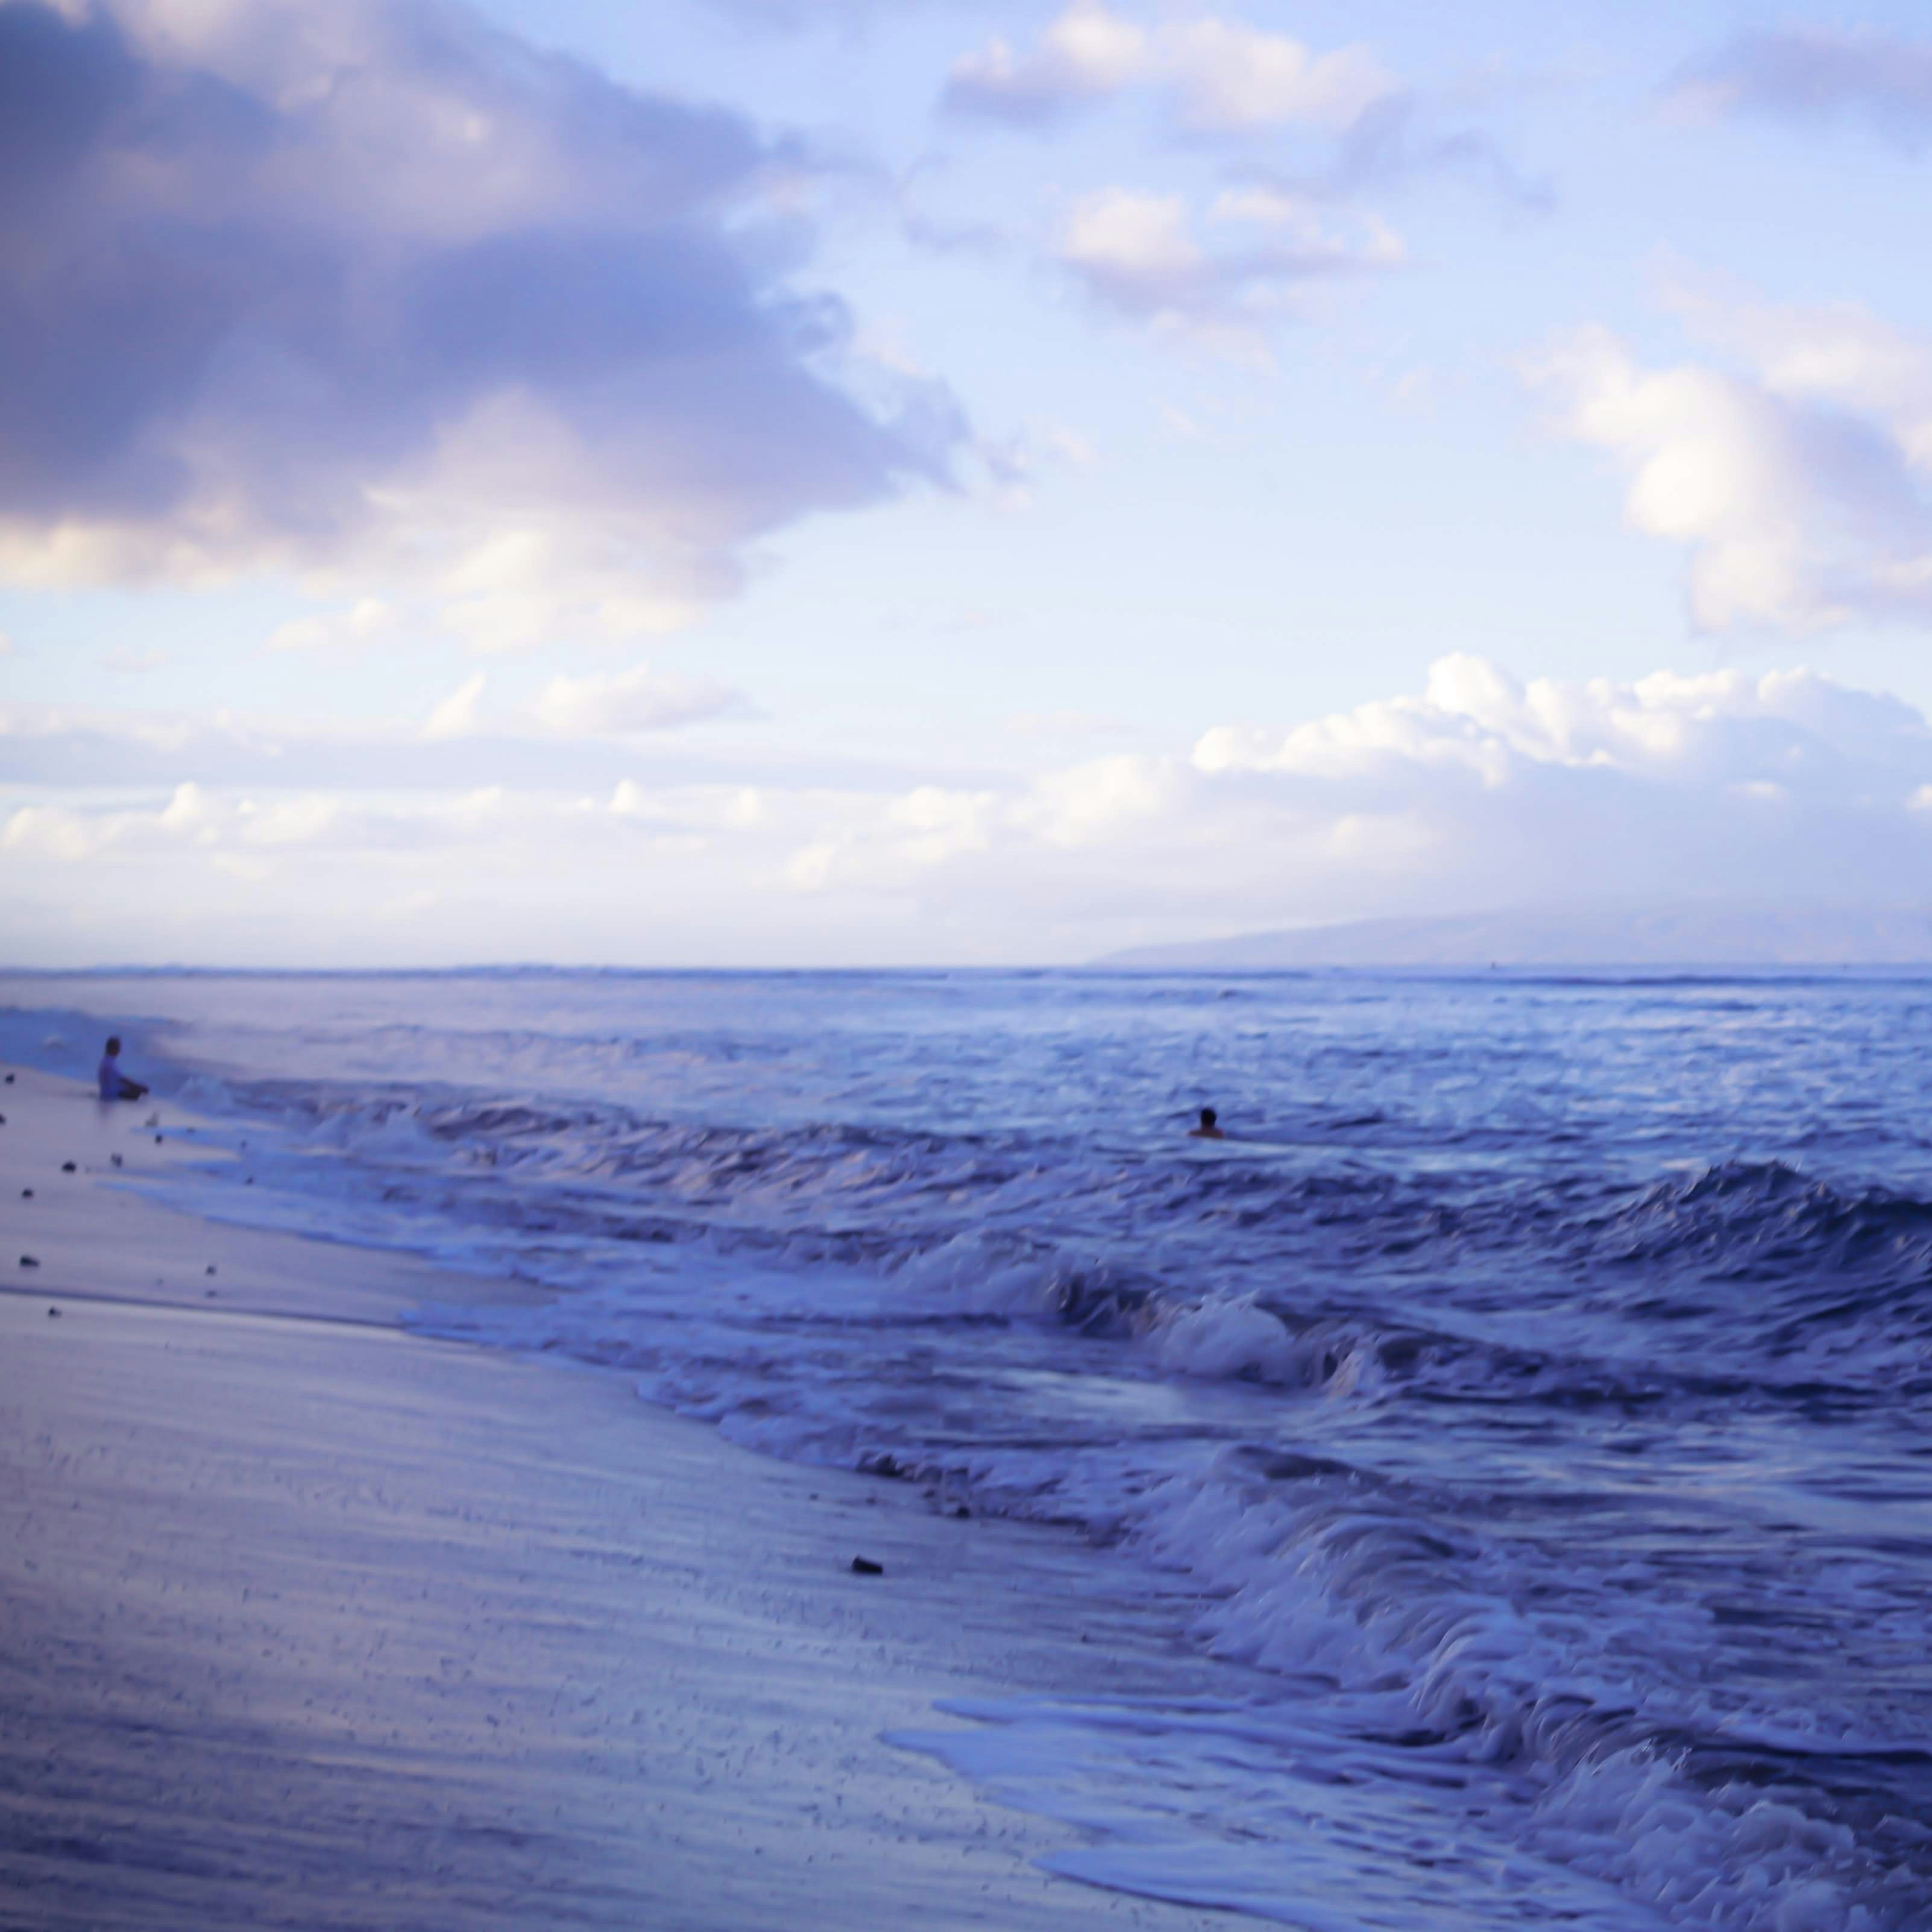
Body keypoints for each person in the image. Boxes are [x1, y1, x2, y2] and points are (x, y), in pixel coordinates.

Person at [96, 1036, 148, 1102]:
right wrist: (138, 1087)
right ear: (113, 1049)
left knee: (134, 1090)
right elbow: (122, 1080)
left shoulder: (105, 1061)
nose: (119, 1051)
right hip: (112, 1094)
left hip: (106, 1092)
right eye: (118, 1048)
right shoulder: (109, 1063)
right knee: (136, 1092)